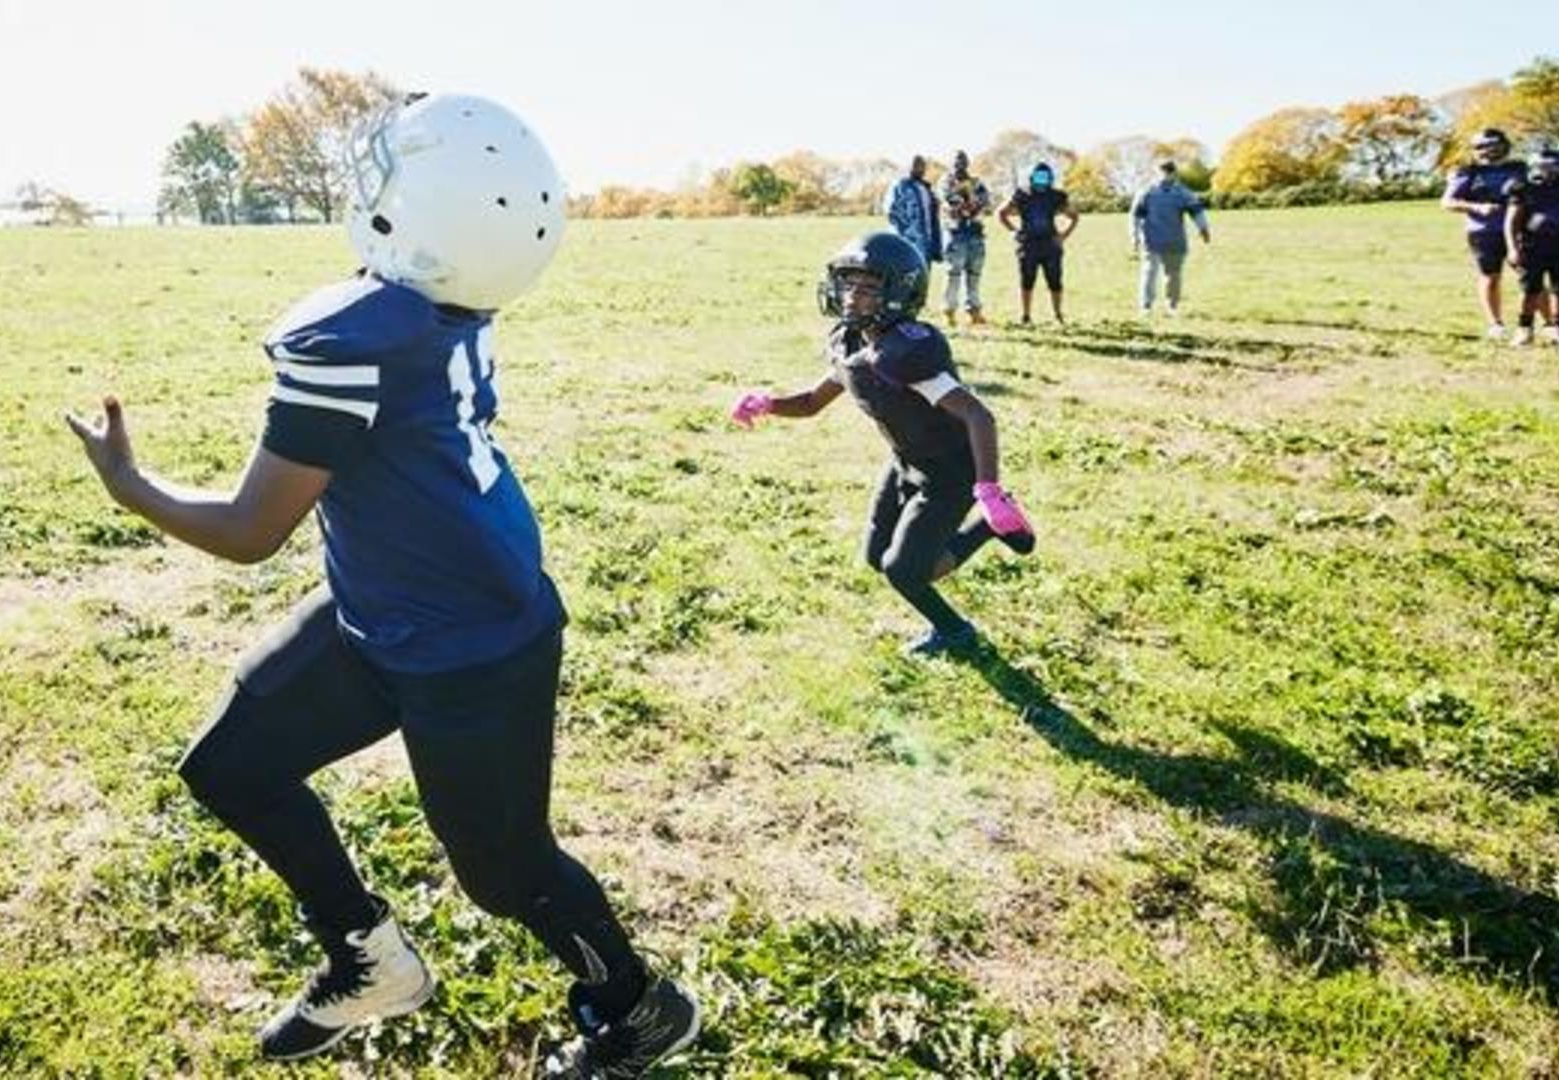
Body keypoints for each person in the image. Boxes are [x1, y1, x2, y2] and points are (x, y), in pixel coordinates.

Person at [64, 93, 697, 1077]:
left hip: (474, 648)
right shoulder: (441, 301)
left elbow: (249, 531)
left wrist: (130, 485)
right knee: (230, 767)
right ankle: (370, 961)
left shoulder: (354, 336)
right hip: (391, 607)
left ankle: (638, 1007)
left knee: (504, 872)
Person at [728, 232, 1037, 657]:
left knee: (904, 571)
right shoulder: (851, 342)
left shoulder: (907, 352)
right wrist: (768, 404)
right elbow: (812, 402)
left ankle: (955, 630)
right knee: (877, 557)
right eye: (848, 283)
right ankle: (986, 530)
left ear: (900, 292)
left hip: (951, 470)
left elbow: (977, 415)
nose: (853, 296)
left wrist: (988, 490)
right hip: (905, 461)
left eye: (869, 287)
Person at [1441, 128, 1529, 340]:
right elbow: (1447, 202)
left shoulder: (1519, 169)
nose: (1488, 151)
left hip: (1520, 230)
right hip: (1484, 231)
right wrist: (1477, 207)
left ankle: (1542, 324)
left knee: (1529, 276)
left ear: (1504, 146)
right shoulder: (1467, 172)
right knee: (1490, 277)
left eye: (1493, 145)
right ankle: (1495, 324)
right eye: (1481, 147)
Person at [1502, 148, 1559, 347]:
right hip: (1532, 244)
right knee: (1529, 289)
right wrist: (1512, 248)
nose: (1549, 172)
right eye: (1543, 167)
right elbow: (1511, 222)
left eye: (1553, 167)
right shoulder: (1523, 187)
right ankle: (1524, 329)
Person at [997, 162, 1079, 325]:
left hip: (1051, 245)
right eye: (1038, 177)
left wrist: (1063, 236)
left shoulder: (1057, 196)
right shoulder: (1022, 194)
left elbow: (1074, 216)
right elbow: (1001, 213)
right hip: (1027, 245)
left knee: (1055, 281)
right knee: (1027, 281)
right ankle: (1026, 316)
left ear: (1050, 178)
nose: (1042, 180)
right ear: (1031, 177)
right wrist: (1013, 232)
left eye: (1045, 177)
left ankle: (1058, 315)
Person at [1130, 161, 1211, 315]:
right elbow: (1135, 216)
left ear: (1174, 173)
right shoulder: (1147, 192)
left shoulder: (1182, 192)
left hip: (1174, 241)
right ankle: (1146, 306)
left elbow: (1196, 211)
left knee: (1172, 274)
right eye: (1163, 172)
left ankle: (1171, 306)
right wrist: (1134, 237)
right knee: (1150, 273)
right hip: (1151, 240)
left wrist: (1204, 229)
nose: (1165, 175)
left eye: (1168, 172)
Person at [941, 150, 991, 326]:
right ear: (952, 163)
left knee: (974, 274)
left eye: (962, 161)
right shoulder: (946, 182)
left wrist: (969, 203)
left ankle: (974, 311)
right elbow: (952, 203)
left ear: (968, 162)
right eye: (956, 161)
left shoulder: (977, 182)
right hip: (956, 234)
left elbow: (985, 202)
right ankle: (949, 312)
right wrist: (970, 203)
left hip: (976, 233)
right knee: (953, 274)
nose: (959, 164)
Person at [886, 155, 944, 269]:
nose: (919, 168)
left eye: (922, 166)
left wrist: (936, 246)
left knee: (923, 279)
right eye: (916, 165)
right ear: (909, 167)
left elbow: (933, 219)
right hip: (905, 244)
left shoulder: (926, 188)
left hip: (925, 245)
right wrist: (904, 237)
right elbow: (892, 212)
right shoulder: (899, 185)